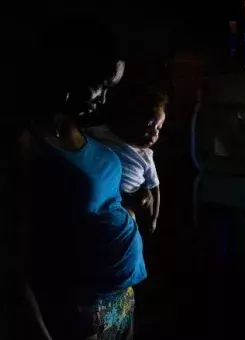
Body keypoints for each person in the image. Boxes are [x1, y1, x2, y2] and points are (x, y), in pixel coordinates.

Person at [14, 17, 146, 340]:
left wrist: (128, 209)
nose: (103, 98)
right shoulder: (26, 145)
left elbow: (91, 201)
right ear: (72, 73)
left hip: (122, 294)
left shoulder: (80, 126)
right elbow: (13, 259)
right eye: (101, 84)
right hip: (81, 306)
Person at [86, 84, 167, 235]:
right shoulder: (103, 133)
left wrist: (154, 218)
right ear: (130, 120)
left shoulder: (146, 156)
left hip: (129, 198)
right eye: (148, 126)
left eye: (159, 128)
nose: (154, 134)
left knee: (131, 217)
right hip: (103, 193)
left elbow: (155, 187)